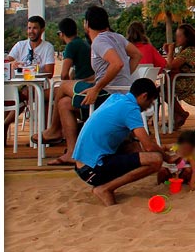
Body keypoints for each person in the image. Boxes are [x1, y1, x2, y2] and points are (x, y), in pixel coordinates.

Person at [40, 6, 142, 165]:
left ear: (86, 24)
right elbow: (136, 54)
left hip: (107, 95)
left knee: (62, 86)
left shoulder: (99, 41)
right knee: (64, 103)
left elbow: (117, 64)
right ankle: (72, 152)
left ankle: (54, 130)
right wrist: (122, 78)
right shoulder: (117, 37)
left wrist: (96, 87)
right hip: (121, 92)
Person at [71, 77, 166, 206]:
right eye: (150, 102)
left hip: (83, 165)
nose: (149, 106)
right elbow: (148, 147)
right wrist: (168, 157)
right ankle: (105, 188)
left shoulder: (116, 98)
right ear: (144, 96)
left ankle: (106, 186)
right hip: (92, 169)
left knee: (134, 146)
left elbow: (139, 142)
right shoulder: (131, 109)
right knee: (156, 160)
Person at [4, 16, 58, 139]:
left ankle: (5, 124)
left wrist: (34, 69)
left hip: (37, 86)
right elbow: (6, 62)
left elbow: (50, 72)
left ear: (42, 30)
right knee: (12, 93)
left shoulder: (47, 47)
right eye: (29, 28)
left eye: (34, 28)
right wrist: (12, 64)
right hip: (18, 85)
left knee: (26, 93)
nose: (31, 31)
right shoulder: (20, 45)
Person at [165, 23, 195, 130]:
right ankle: (177, 115)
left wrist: (170, 52)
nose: (176, 39)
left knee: (163, 90)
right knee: (164, 87)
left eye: (179, 36)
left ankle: (181, 114)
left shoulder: (189, 51)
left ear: (187, 37)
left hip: (193, 81)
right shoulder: (194, 49)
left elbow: (170, 66)